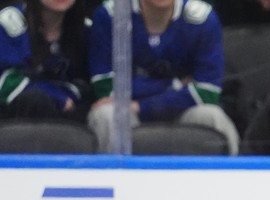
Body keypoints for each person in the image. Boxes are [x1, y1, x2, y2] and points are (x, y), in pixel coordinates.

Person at [87, 0, 240, 154]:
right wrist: (176, 84)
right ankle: (115, 176)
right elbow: (106, 89)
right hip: (129, 110)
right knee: (107, 114)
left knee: (212, 115)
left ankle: (236, 175)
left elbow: (207, 92)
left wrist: (142, 105)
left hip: (182, 110)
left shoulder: (203, 18)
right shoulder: (109, 15)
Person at [0, 0, 91, 121]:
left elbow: (84, 85)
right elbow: (5, 81)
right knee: (35, 100)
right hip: (13, 119)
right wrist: (57, 96)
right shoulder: (8, 21)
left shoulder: (87, 28)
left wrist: (68, 97)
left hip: (68, 118)